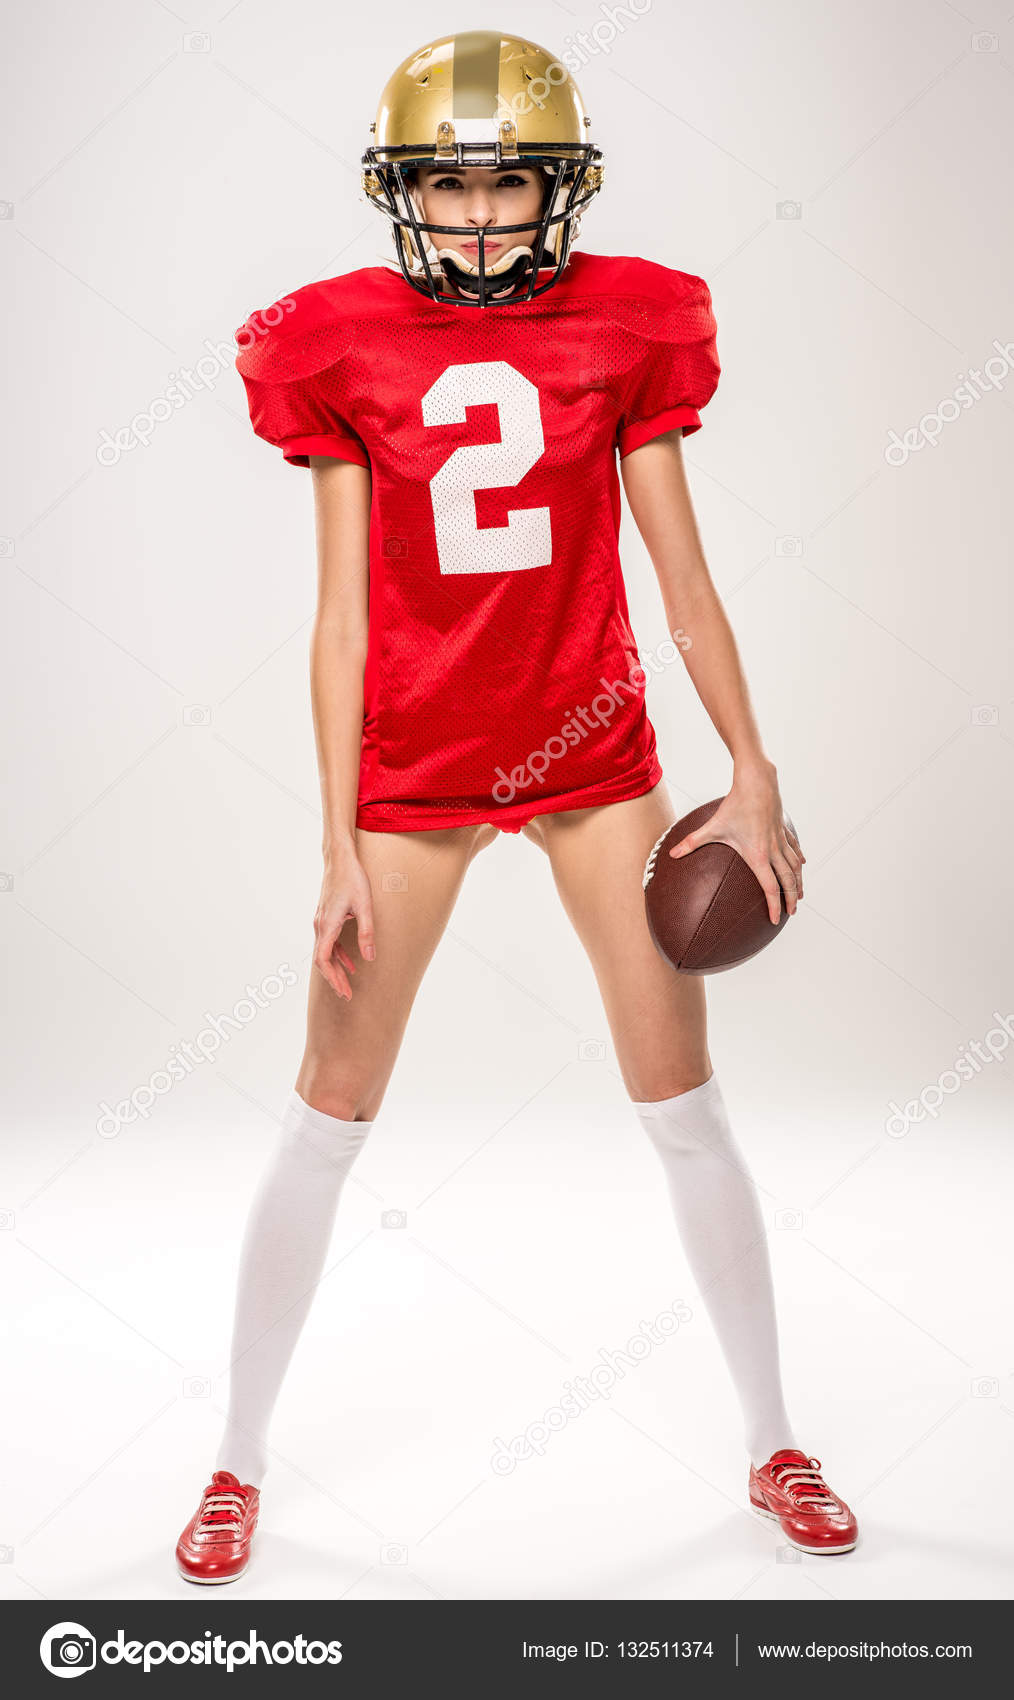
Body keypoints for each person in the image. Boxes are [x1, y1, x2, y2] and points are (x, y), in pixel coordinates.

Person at [175, 29, 857, 1586]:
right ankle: (233, 1458)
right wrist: (336, 837)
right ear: (400, 193)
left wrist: (750, 768)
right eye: (449, 189)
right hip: (411, 775)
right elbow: (341, 614)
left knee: (682, 1104)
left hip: (594, 760)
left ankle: (771, 1436)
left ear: (561, 188)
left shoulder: (630, 324)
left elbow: (679, 583)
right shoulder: (332, 347)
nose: (480, 221)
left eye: (509, 188)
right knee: (326, 1112)